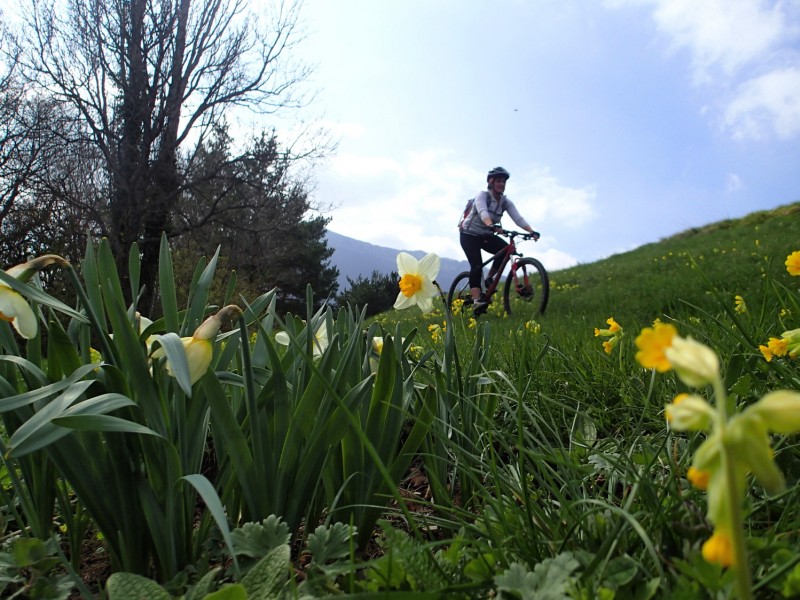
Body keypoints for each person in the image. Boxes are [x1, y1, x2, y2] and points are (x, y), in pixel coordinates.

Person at [459, 166, 540, 315]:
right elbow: (483, 212)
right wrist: (491, 225)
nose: (502, 184)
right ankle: (477, 300)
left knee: (505, 251)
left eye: (504, 182)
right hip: (469, 235)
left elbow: (518, 218)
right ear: (491, 182)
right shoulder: (482, 195)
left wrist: (531, 231)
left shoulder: (504, 201)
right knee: (476, 265)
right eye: (498, 181)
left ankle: (489, 279)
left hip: (485, 234)